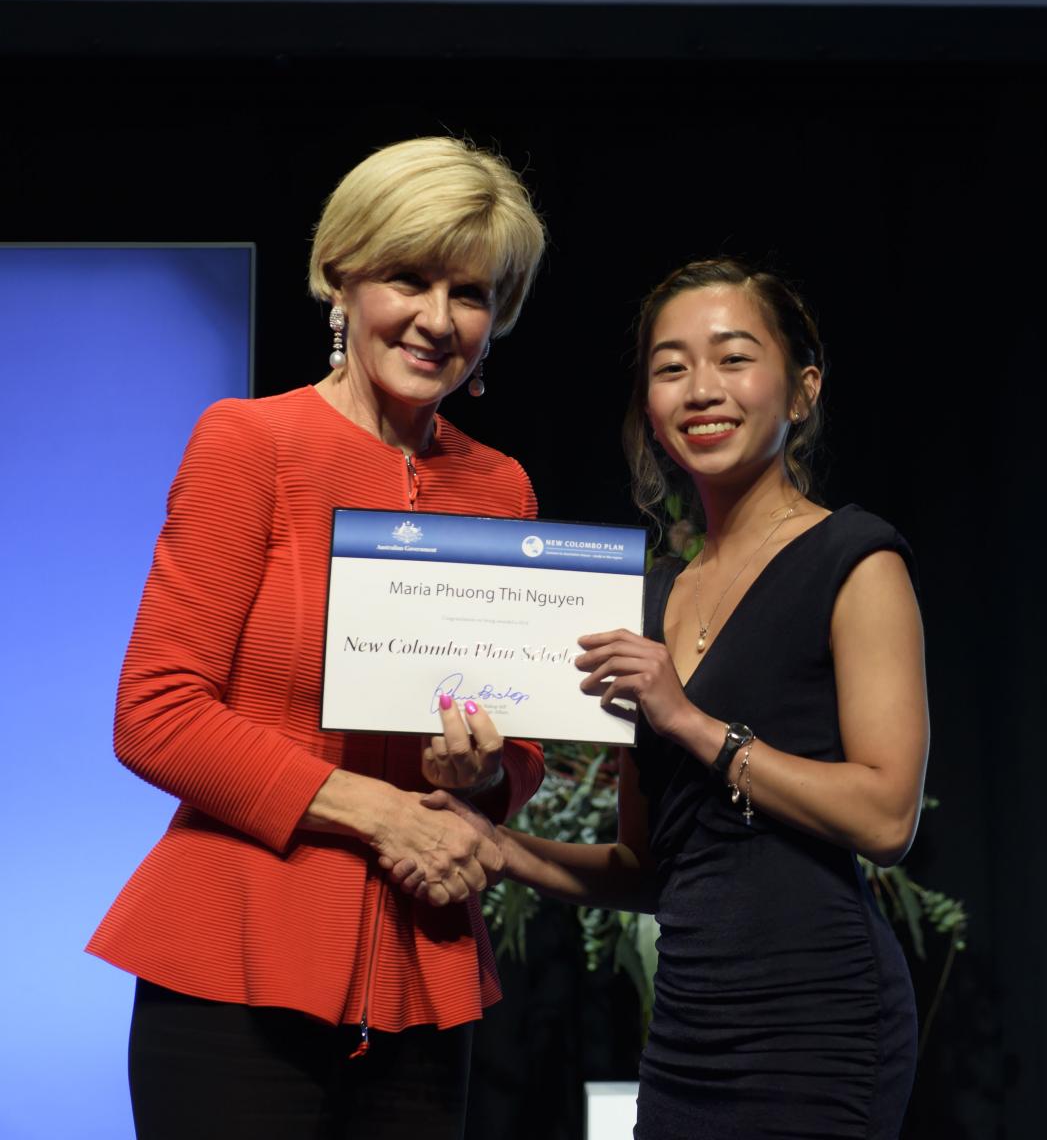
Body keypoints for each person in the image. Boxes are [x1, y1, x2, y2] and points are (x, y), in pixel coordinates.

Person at [86, 136, 548, 1140]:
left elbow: (518, 745)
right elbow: (156, 714)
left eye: (468, 292)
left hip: (424, 978)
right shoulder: (248, 443)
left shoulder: (502, 488)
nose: (436, 318)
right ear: (343, 278)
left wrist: (477, 782)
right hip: (234, 964)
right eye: (408, 278)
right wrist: (384, 814)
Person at [421, 257, 929, 1138]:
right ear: (651, 414)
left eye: (733, 358)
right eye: (671, 367)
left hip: (820, 1014)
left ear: (802, 391)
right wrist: (494, 846)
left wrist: (693, 724)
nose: (702, 389)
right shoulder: (646, 599)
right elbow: (647, 868)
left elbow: (887, 817)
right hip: (690, 1028)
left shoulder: (856, 559)